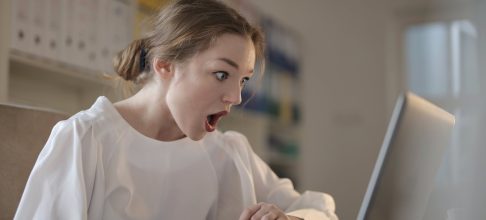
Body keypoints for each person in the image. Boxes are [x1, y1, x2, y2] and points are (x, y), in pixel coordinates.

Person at [14, 0, 338, 219]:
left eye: (243, 81)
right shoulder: (85, 140)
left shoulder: (228, 151)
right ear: (165, 66)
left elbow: (318, 209)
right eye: (221, 74)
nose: (236, 98)